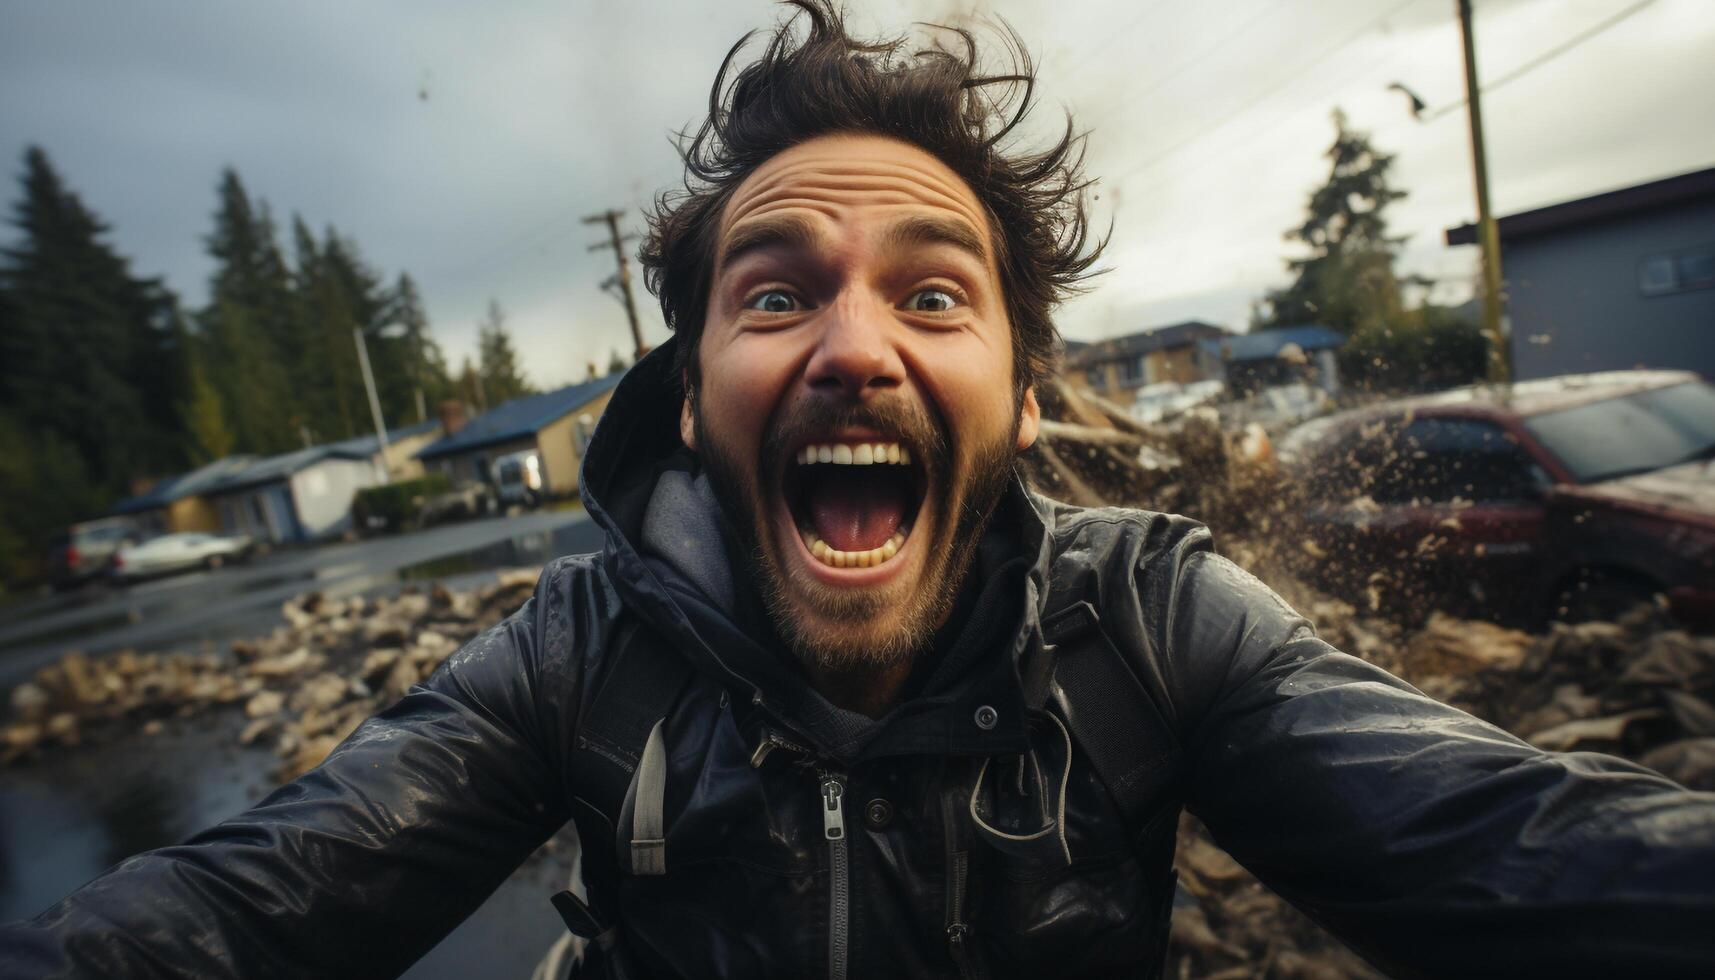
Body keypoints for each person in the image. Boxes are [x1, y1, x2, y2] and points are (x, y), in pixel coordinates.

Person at [6, 3, 1715, 977]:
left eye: (931, 291)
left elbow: (1529, 851)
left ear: (1026, 395)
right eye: (774, 291)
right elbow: (237, 908)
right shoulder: (575, 658)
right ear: (687, 402)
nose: (851, 346)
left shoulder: (1151, 622)